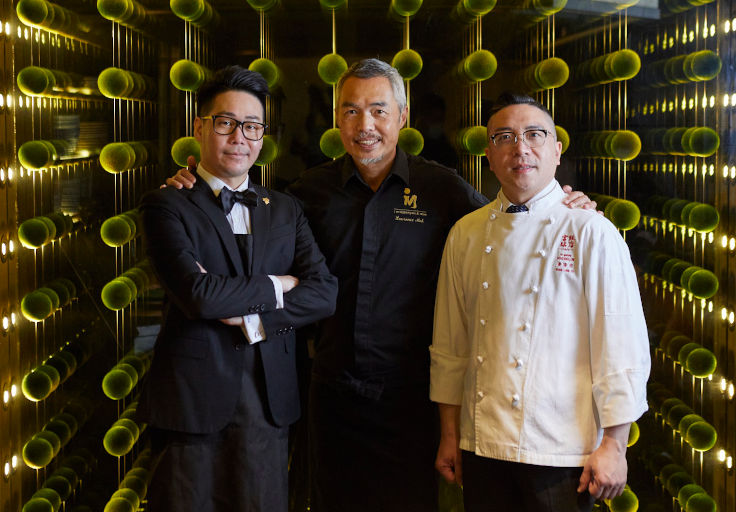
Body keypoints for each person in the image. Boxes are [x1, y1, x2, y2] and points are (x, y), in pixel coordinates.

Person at [166, 59, 594, 511]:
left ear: (402, 117)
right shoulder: (308, 194)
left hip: (412, 401)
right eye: (351, 111)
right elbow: (241, 238)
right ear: (337, 119)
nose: (365, 124)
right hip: (330, 397)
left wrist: (563, 205)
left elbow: (506, 227)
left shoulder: (442, 189)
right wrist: (193, 193)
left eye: (379, 110)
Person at [430, 92, 651, 512]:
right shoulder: (466, 233)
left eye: (535, 134)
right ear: (489, 156)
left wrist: (615, 444)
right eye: (505, 137)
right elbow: (450, 346)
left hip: (562, 451)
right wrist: (449, 434)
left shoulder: (591, 230)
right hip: (482, 445)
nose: (521, 148)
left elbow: (620, 343)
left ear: (556, 150)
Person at [137, 65, 337, 512]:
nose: (239, 137)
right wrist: (278, 283)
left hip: (268, 402)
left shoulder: (286, 209)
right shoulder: (166, 204)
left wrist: (254, 318)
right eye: (226, 123)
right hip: (190, 404)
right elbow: (198, 294)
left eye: (252, 126)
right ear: (200, 127)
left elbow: (324, 292)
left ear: (263, 135)